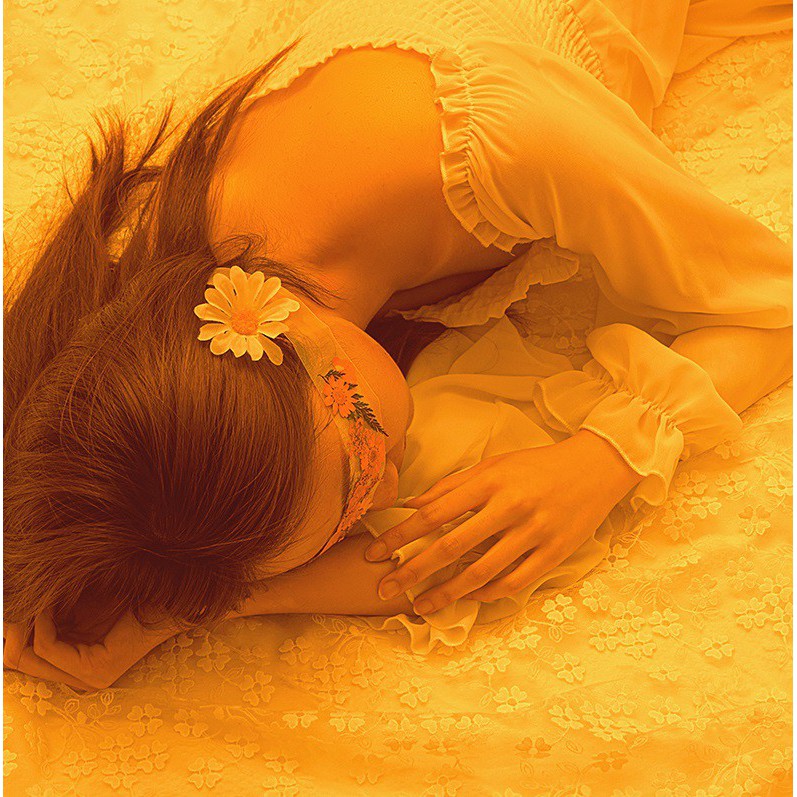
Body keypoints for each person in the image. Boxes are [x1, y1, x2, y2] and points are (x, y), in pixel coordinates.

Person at [4, 0, 792, 689]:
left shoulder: (503, 141)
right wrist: (189, 608)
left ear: (307, 347)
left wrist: (602, 459)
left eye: (360, 479)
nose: (386, 496)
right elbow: (410, 553)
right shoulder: (177, 312)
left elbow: (775, 307)